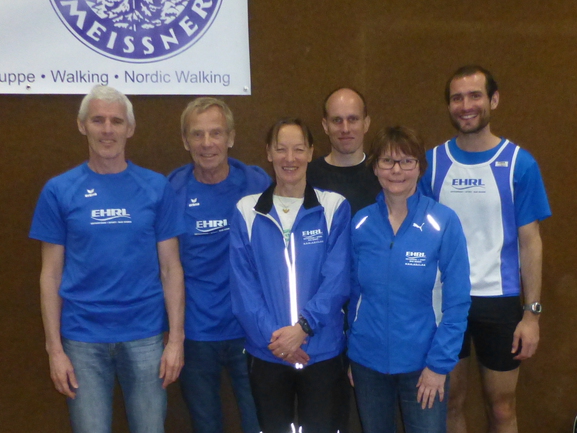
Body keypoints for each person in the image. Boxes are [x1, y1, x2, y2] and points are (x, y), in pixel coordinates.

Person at [29, 85, 185, 433]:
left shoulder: (156, 187)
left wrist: (176, 340)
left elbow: (171, 269)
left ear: (130, 128)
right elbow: (50, 275)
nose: (107, 130)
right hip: (82, 339)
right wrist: (54, 350)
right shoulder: (58, 190)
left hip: (145, 336)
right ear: (82, 125)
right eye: (98, 120)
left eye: (116, 121)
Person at [419, 65, 551, 433]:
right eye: (457, 98)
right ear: (448, 105)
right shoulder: (431, 164)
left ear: (493, 100)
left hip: (500, 301)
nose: (466, 106)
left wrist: (532, 315)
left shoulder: (520, 163)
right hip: (445, 301)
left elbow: (530, 242)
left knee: (503, 409)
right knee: (448, 403)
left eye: (475, 95)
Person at [230, 118, 351, 433]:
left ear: (310, 152)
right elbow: (244, 289)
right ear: (268, 153)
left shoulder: (333, 207)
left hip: (321, 352)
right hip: (268, 353)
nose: (290, 158)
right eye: (281, 149)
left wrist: (303, 328)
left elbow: (337, 280)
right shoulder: (247, 211)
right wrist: (277, 339)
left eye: (298, 149)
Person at [349, 126, 471, 433]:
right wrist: (353, 353)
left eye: (407, 161)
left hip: (424, 366)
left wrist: (438, 365)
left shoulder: (444, 222)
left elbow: (457, 304)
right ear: (375, 167)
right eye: (387, 161)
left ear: (420, 167)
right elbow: (353, 294)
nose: (396, 170)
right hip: (367, 363)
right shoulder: (361, 223)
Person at [168, 97, 269, 433]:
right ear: (185, 141)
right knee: (206, 425)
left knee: (259, 423)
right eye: (197, 134)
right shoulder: (172, 190)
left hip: (250, 331)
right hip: (196, 334)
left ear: (231, 137)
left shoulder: (257, 185)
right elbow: (165, 266)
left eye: (216, 133)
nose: (207, 143)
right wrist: (174, 335)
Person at [307, 87, 381, 216]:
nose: (345, 129)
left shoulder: (383, 176)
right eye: (337, 120)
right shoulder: (307, 178)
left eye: (353, 119)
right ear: (325, 126)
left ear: (366, 123)